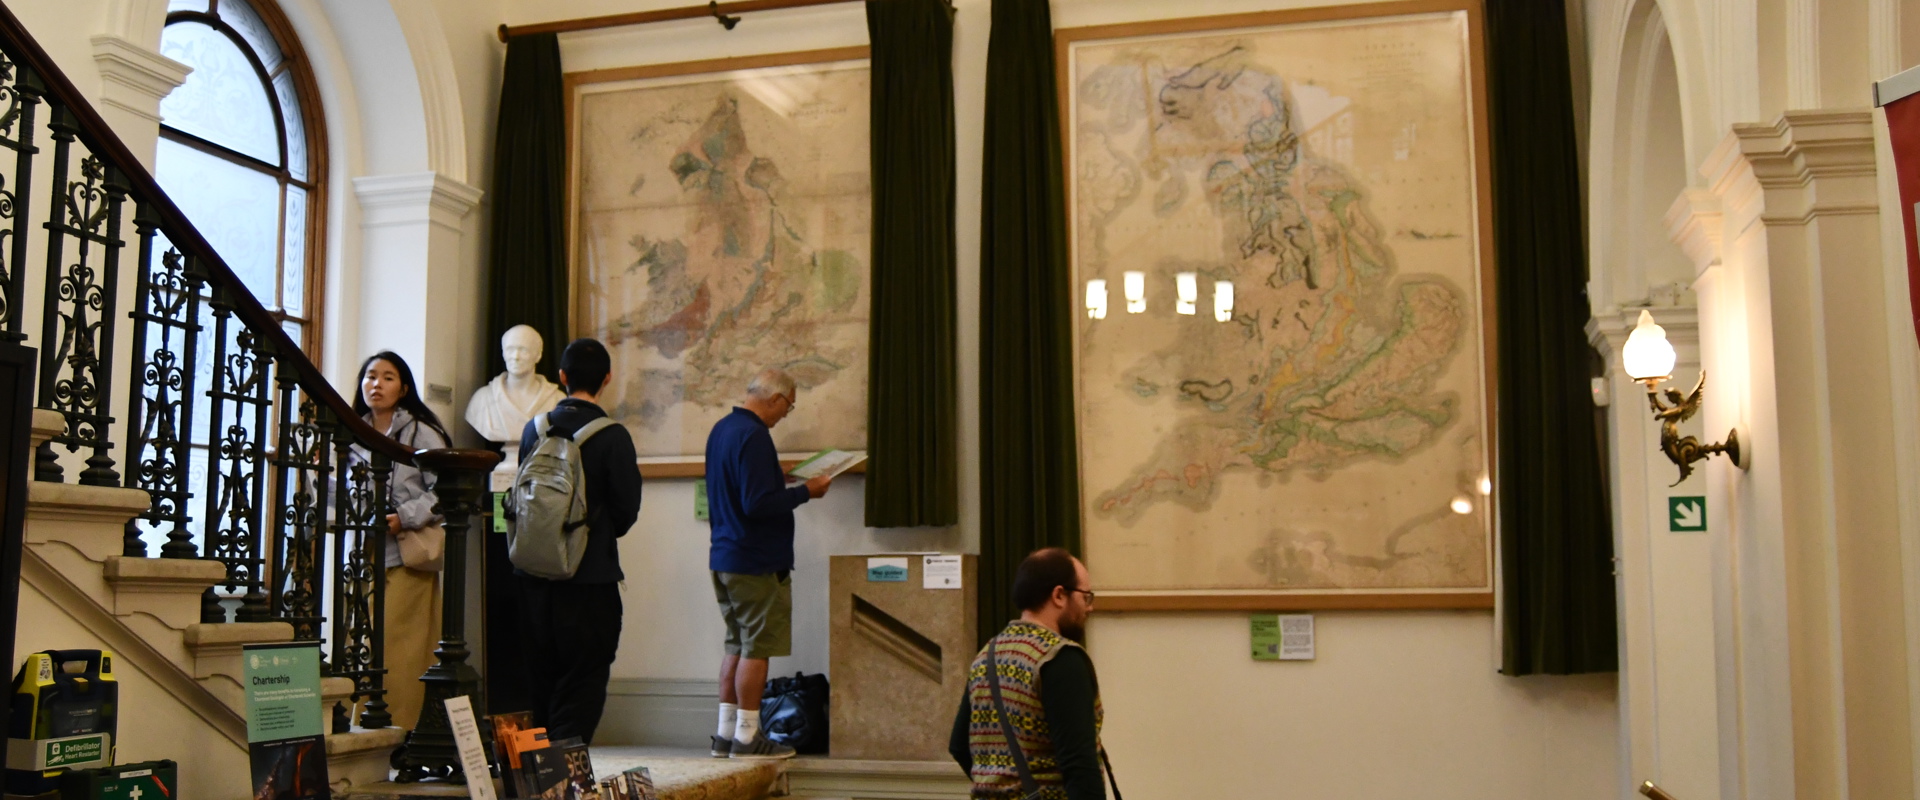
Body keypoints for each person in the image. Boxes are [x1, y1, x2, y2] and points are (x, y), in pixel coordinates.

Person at [514, 338, 643, 745]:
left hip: (532, 578)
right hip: (590, 581)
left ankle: (538, 778)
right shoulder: (613, 436)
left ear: (562, 377)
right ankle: (567, 772)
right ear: (606, 380)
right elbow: (626, 510)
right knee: (584, 680)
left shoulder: (533, 430)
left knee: (539, 681)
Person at [704, 368, 832, 759]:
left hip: (725, 555)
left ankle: (725, 735)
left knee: (736, 645)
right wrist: (805, 492)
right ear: (775, 398)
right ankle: (747, 738)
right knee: (757, 648)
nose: (784, 416)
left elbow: (738, 484)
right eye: (787, 408)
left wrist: (778, 476)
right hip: (756, 561)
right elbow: (757, 505)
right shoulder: (756, 436)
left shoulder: (723, 430)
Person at [949, 548, 1109, 800]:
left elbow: (959, 746)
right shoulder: (1060, 658)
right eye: (1085, 597)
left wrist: (1002, 788)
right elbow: (1079, 766)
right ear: (1059, 595)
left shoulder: (987, 654)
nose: (1088, 608)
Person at [351, 351, 451, 730]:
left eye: (387, 377)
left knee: (402, 650)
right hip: (361, 554)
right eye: (370, 376)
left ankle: (400, 731)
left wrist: (403, 517)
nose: (376, 384)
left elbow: (445, 489)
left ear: (404, 387)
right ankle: (361, 728)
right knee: (360, 646)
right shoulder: (353, 430)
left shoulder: (420, 432)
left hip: (406, 556)